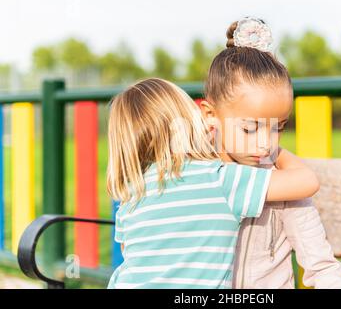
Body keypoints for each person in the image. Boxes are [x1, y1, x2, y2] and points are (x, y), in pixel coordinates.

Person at [106, 77, 320, 288]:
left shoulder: (131, 194)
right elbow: (307, 181)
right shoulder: (218, 179)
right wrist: (274, 151)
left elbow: (131, 254)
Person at [199, 17, 341, 289]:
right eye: (249, 129)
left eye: (278, 128)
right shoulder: (194, 177)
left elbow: (322, 266)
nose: (265, 145)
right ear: (210, 115)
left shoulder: (285, 187)